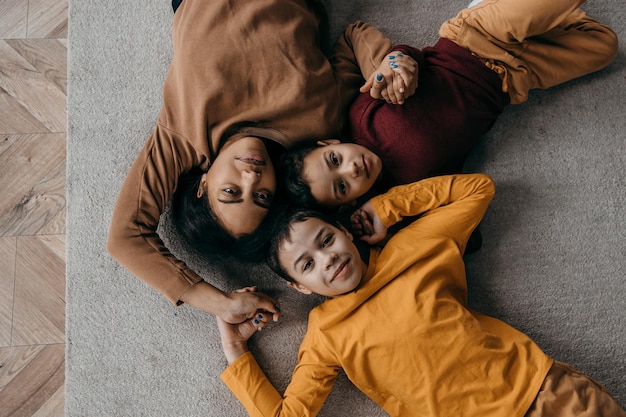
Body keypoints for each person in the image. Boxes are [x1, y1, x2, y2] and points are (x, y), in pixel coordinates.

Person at [106, 0, 417, 321]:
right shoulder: (318, 128)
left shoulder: (185, 135)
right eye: (261, 196)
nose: (251, 177)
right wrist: (386, 63)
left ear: (203, 182)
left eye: (230, 192)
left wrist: (221, 304)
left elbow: (125, 237)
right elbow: (354, 42)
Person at [216, 174, 626, 416]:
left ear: (344, 231)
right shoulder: (325, 332)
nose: (327, 259)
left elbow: (477, 190)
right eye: (307, 265)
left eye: (326, 239)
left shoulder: (412, 246)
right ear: (300, 287)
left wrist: (386, 209)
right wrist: (236, 351)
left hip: (539, 392)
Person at [279, 0, 618, 209]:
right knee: (605, 46)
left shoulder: (360, 117)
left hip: (474, 36)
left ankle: (498, 8)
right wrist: (381, 219)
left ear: (330, 143)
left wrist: (395, 62)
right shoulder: (407, 191)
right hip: (514, 77)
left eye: (335, 160)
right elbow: (463, 222)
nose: (351, 170)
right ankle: (526, 15)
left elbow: (360, 40)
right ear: (351, 202)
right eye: (342, 186)